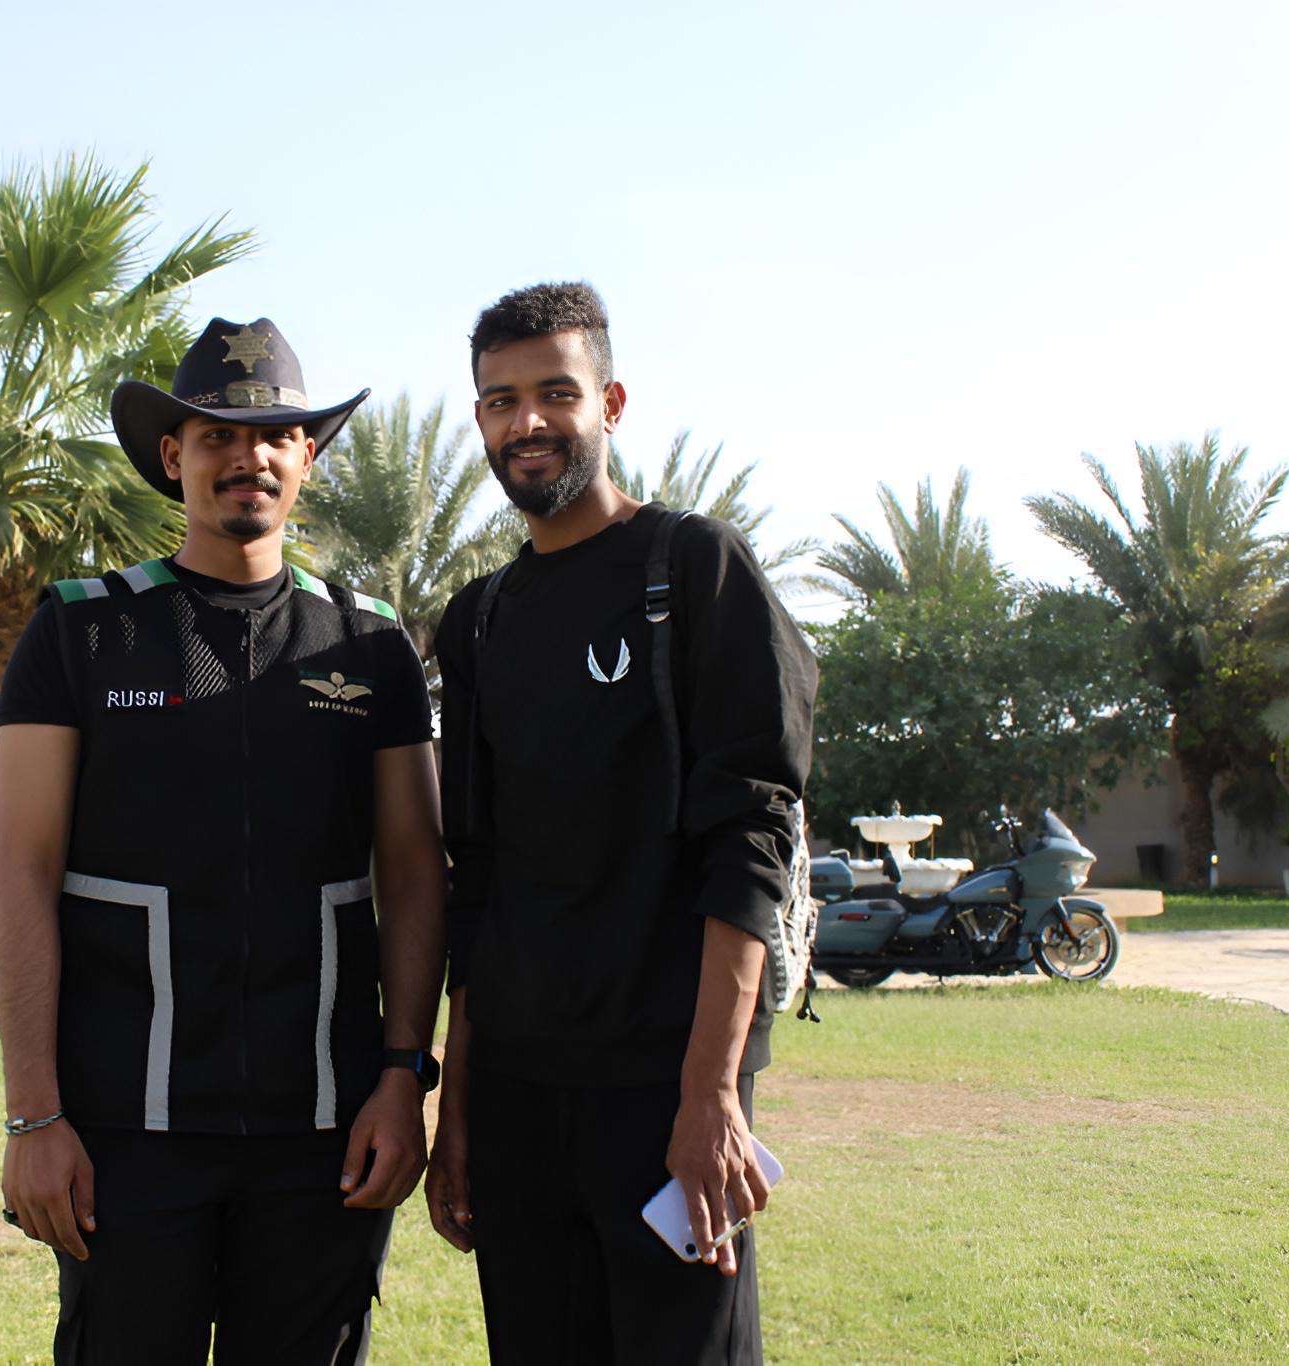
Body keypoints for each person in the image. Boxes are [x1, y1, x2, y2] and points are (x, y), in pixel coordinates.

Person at [0, 317, 449, 1365]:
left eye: (276, 435)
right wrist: (33, 1117)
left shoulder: (369, 643)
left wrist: (401, 1079)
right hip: (124, 1133)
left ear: (308, 456)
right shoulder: (80, 631)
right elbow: (19, 873)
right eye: (216, 436)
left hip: (325, 1133)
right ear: (172, 456)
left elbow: (415, 870)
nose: (249, 458)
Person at [424, 282, 817, 1364]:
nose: (527, 422)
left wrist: (711, 1095)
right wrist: (460, 1111)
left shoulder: (694, 570)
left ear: (611, 402)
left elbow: (750, 844)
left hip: (664, 1090)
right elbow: (476, 883)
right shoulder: (479, 621)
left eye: (556, 392)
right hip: (518, 1095)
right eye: (500, 401)